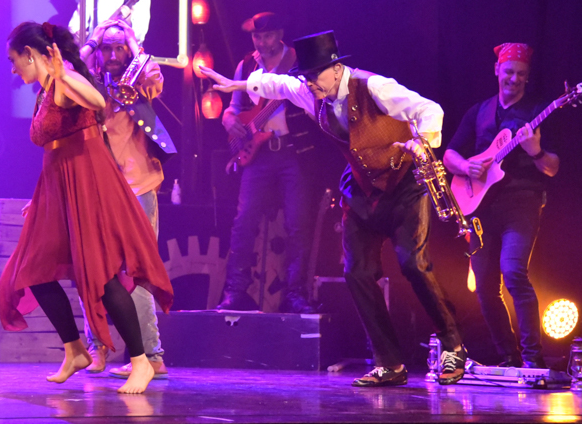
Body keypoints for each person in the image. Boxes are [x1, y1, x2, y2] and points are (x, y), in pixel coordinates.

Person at [200, 30, 469, 387]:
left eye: (314, 77)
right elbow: (278, 84)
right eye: (306, 78)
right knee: (357, 272)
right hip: (361, 188)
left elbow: (429, 110)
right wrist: (237, 86)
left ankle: (453, 345)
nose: (308, 85)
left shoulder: (374, 87)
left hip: (404, 182)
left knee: (412, 264)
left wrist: (421, 142)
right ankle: (389, 361)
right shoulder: (312, 91)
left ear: (336, 69)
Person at [0, 22, 174, 395]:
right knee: (34, 270)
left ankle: (142, 361)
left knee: (102, 276)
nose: (14, 69)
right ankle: (74, 349)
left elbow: (95, 102)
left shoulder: (67, 78)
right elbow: (56, 151)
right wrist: (41, 199)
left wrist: (61, 73)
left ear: (31, 54)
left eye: (16, 60)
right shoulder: (45, 90)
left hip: (87, 185)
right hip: (59, 189)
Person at [444, 43, 558, 369]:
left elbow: (552, 167)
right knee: (484, 287)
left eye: (521, 74)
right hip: (481, 208)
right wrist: (467, 168)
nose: (514, 79)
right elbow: (450, 154)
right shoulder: (479, 111)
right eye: (509, 72)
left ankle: (532, 361)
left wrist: (535, 151)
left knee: (514, 273)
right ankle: (508, 357)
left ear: (527, 77)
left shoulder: (538, 110)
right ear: (497, 70)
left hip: (522, 202)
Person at [78, 19, 176, 380]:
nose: (114, 54)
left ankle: (152, 356)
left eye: (120, 47)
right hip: (99, 188)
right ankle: (97, 347)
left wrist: (133, 43)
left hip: (138, 185)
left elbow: (153, 78)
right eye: (108, 47)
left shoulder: (137, 78)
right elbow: (71, 69)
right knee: (92, 269)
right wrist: (91, 41)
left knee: (138, 271)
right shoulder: (89, 83)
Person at [217, 12, 329, 313]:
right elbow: (232, 109)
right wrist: (229, 122)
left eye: (266, 37)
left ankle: (296, 294)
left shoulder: (296, 63)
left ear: (279, 34)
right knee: (243, 222)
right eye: (256, 37)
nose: (261, 42)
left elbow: (317, 101)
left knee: (297, 224)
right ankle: (234, 292)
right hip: (259, 154)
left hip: (294, 152)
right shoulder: (247, 65)